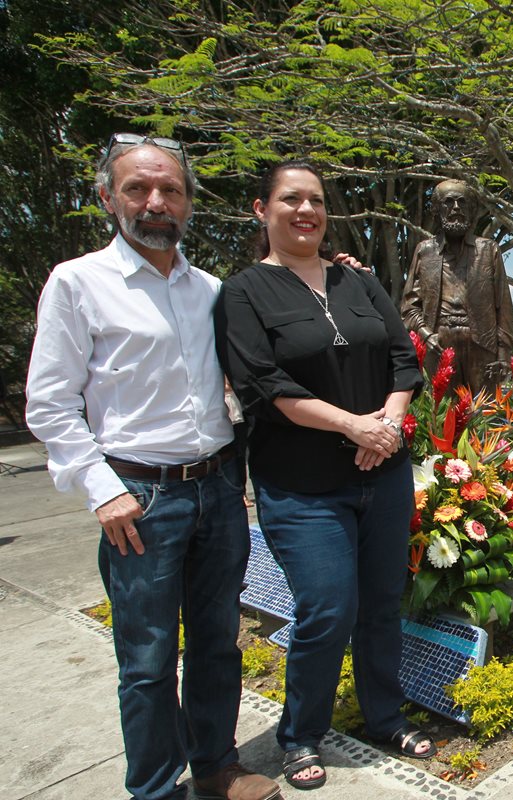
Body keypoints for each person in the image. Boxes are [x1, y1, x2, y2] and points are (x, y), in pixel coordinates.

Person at [25, 134, 280, 800]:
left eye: (169, 188)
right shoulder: (78, 283)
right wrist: (103, 492)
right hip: (138, 500)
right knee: (146, 661)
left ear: (189, 201)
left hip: (219, 489)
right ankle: (156, 788)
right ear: (109, 198)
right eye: (137, 188)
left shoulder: (210, 290)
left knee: (220, 644)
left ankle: (217, 767)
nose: (155, 201)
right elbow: (50, 406)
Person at [215, 160, 434, 790]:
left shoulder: (357, 282)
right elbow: (266, 383)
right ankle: (301, 735)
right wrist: (351, 426)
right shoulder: (244, 292)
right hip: (303, 486)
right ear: (262, 210)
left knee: (382, 604)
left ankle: (383, 716)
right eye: (290, 200)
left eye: (314, 200)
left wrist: (385, 426)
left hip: (383, 473)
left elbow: (402, 358)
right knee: (327, 608)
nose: (306, 210)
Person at [402, 179, 513, 394]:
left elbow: (504, 307)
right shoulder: (425, 251)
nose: (456, 208)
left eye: (463, 203)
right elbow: (409, 306)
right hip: (439, 344)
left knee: (486, 416)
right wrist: (426, 334)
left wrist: (503, 355)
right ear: (437, 209)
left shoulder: (488, 250)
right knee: (445, 417)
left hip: (483, 345)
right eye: (449, 202)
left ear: (472, 210)